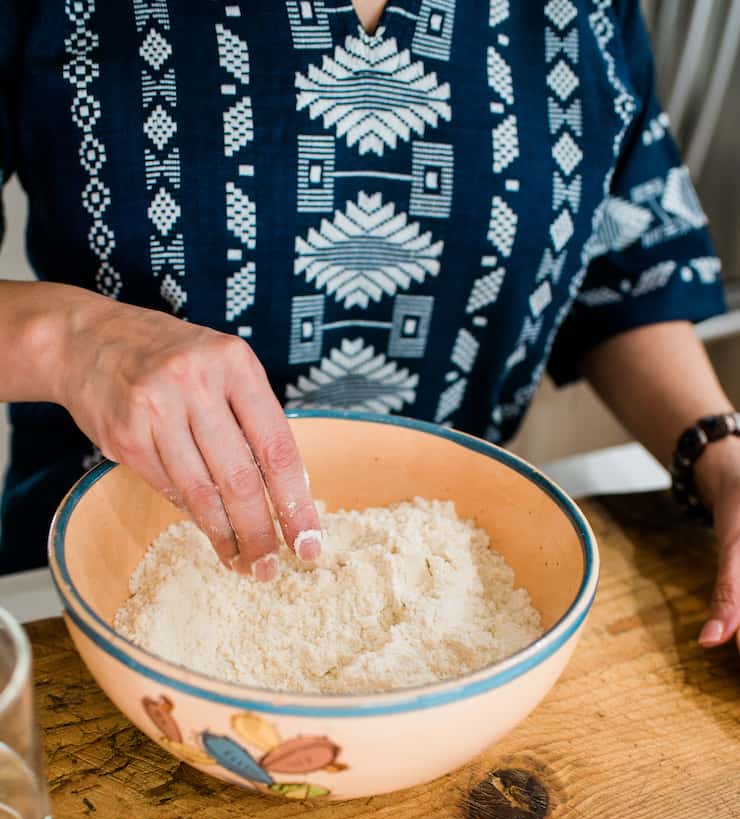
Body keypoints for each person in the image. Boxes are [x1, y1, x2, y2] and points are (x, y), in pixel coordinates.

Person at [0, 0, 738, 647]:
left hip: (452, 590)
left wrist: (721, 459)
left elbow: (620, 265)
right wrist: (71, 341)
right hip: (91, 586)